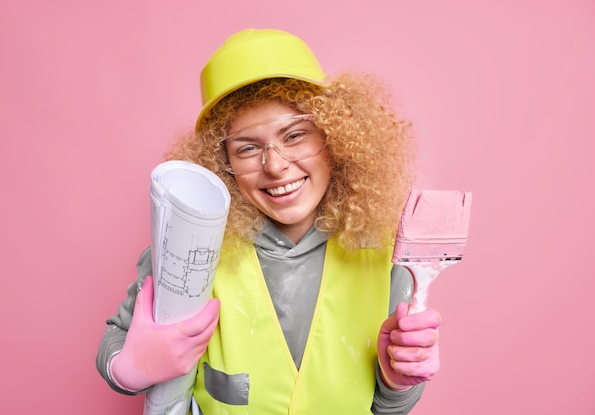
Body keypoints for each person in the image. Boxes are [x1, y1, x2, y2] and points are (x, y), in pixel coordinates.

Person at [96, 28, 441, 415]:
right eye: (247, 148)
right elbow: (118, 338)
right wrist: (127, 369)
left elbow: (387, 408)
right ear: (222, 164)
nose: (275, 166)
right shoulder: (188, 251)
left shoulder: (386, 258)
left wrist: (398, 382)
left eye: (294, 135)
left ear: (335, 138)